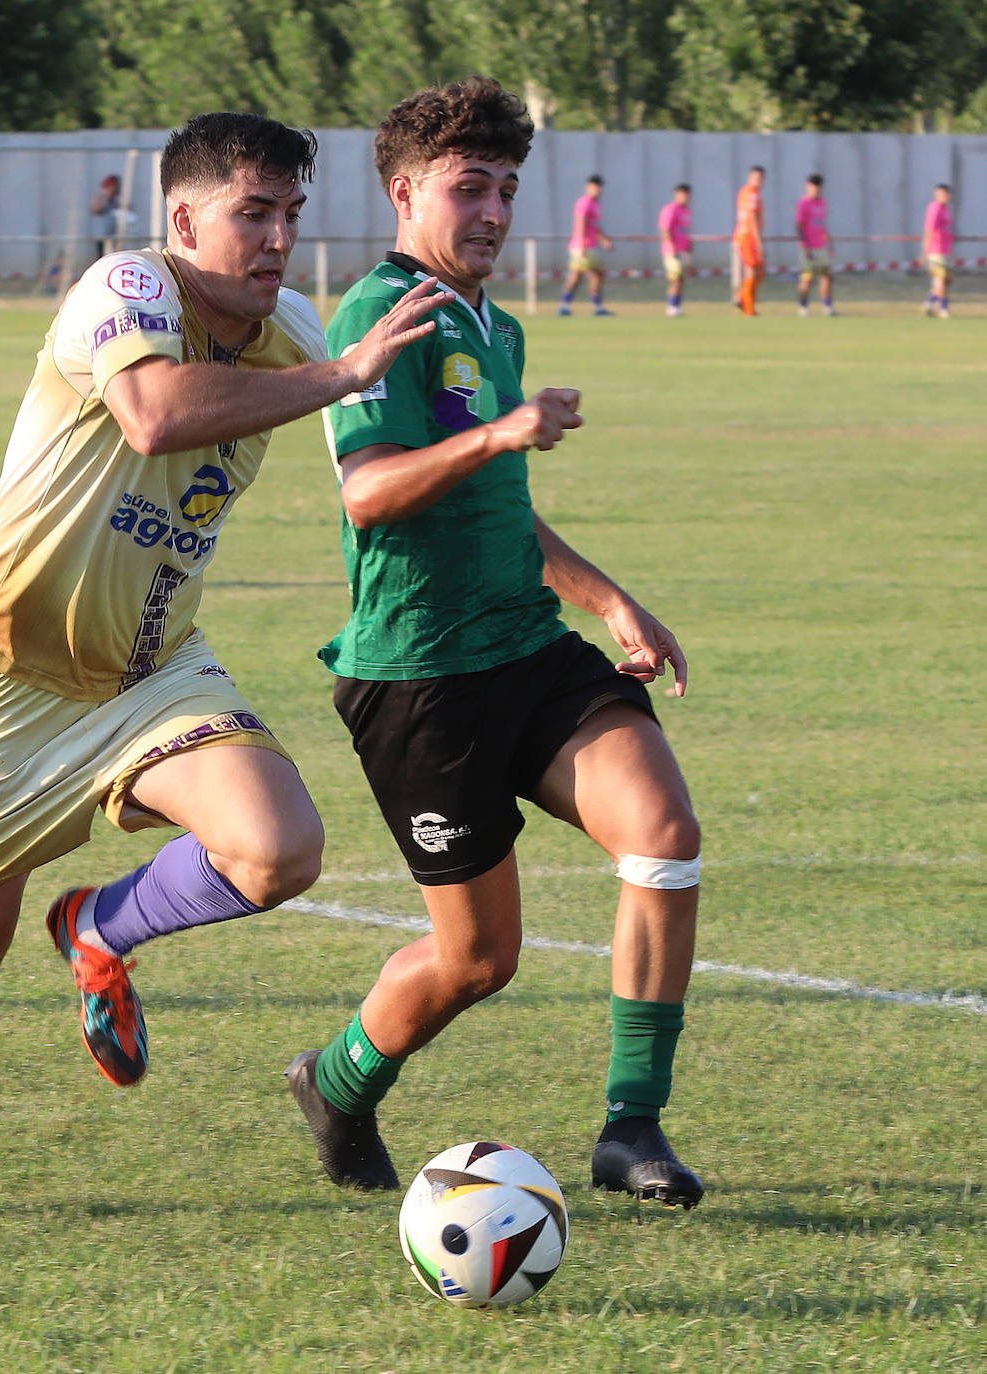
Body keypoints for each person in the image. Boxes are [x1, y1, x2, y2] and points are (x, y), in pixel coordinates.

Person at [0, 111, 450, 1217]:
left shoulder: (291, 329)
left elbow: (381, 467)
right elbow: (151, 414)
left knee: (279, 849)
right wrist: (340, 376)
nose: (279, 236)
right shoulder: (124, 292)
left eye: (291, 213)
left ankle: (99, 929)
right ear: (184, 219)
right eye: (253, 213)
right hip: (10, 680)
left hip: (152, 669)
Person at [287, 77, 704, 1210]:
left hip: (527, 647)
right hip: (418, 676)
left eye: (508, 188)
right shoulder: (380, 317)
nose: (493, 209)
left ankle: (631, 1128)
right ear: (406, 190)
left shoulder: (493, 325)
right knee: (478, 961)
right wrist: (505, 435)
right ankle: (336, 1082)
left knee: (663, 839)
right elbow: (371, 493)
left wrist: (607, 598)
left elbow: (502, 508)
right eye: (470, 186)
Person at [559, 174, 614, 317]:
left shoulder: (596, 205)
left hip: (590, 245)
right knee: (579, 276)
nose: (598, 190)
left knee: (594, 275)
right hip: (582, 246)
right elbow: (581, 223)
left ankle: (595, 307)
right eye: (596, 187)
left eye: (600, 187)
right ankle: (566, 306)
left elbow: (594, 227)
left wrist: (604, 240)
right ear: (589, 187)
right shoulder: (585, 202)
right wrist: (582, 244)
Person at [795, 174, 835, 317]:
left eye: (818, 187)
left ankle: (827, 306)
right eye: (813, 186)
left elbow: (822, 225)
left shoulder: (822, 203)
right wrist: (804, 247)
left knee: (827, 277)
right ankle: (803, 307)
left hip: (821, 247)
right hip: (808, 247)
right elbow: (799, 226)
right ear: (808, 186)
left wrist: (830, 243)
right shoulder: (803, 203)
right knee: (807, 279)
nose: (815, 189)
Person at [733, 165, 766, 316]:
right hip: (748, 236)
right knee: (753, 271)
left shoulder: (745, 192)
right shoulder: (752, 194)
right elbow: (752, 218)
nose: (757, 181)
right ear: (749, 178)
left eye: (759, 178)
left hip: (744, 235)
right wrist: (759, 243)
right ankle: (748, 307)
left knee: (759, 272)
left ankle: (742, 299)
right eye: (755, 177)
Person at [658, 184, 692, 317]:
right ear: (676, 194)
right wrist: (671, 247)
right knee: (675, 279)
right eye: (682, 193)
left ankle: (677, 306)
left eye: (687, 194)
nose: (685, 196)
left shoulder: (686, 211)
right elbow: (665, 229)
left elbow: (684, 232)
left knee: (681, 279)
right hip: (671, 251)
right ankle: (671, 306)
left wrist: (688, 247)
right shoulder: (670, 209)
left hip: (683, 250)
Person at [923, 184, 954, 318]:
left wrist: (950, 250)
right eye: (938, 194)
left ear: (948, 195)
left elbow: (946, 230)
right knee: (940, 279)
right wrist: (925, 251)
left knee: (946, 280)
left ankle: (929, 304)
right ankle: (943, 309)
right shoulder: (934, 208)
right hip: (936, 249)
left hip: (945, 249)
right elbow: (929, 230)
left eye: (943, 194)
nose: (941, 196)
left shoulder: (945, 209)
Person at [91, 173, 123, 259]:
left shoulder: (116, 198)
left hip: (113, 231)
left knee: (113, 253)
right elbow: (95, 209)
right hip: (102, 232)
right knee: (100, 254)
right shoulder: (101, 196)